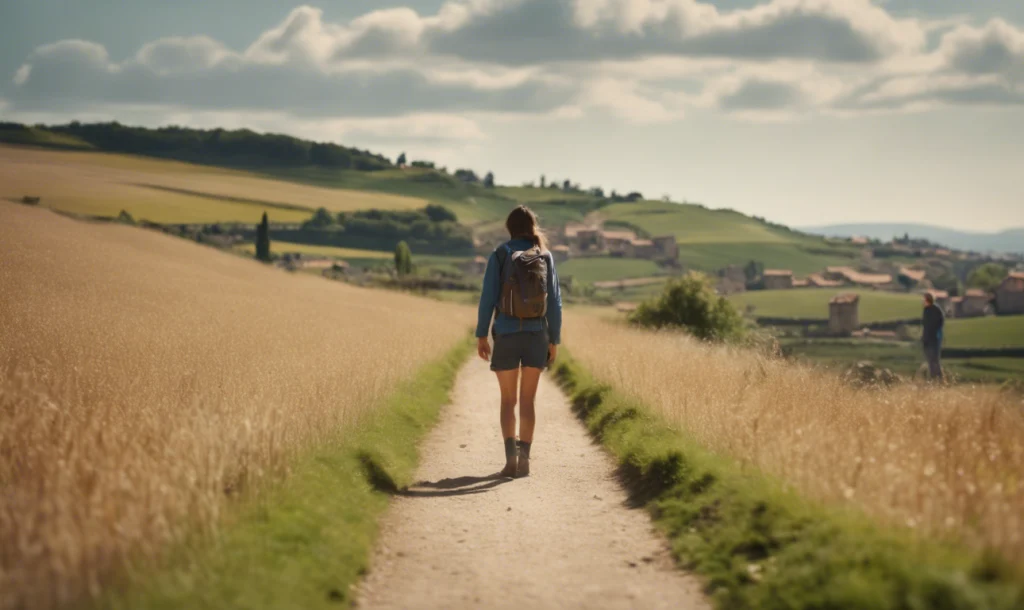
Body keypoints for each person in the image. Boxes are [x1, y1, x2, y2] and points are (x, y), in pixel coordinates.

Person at [476, 205, 562, 479]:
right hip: (537, 335)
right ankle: (525, 460)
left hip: (507, 333)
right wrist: (554, 339)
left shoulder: (500, 254)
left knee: (507, 401)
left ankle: (510, 460)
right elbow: (555, 304)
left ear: (509, 228)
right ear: (533, 227)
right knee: (528, 401)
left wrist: (481, 334)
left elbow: (487, 298)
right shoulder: (545, 256)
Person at [921, 292, 945, 381]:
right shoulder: (927, 310)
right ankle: (934, 379)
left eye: (924, 300)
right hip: (928, 339)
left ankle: (938, 379)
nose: (923, 302)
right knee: (931, 361)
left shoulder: (935, 310)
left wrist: (934, 334)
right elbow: (925, 326)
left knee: (934, 361)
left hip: (933, 339)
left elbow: (938, 324)